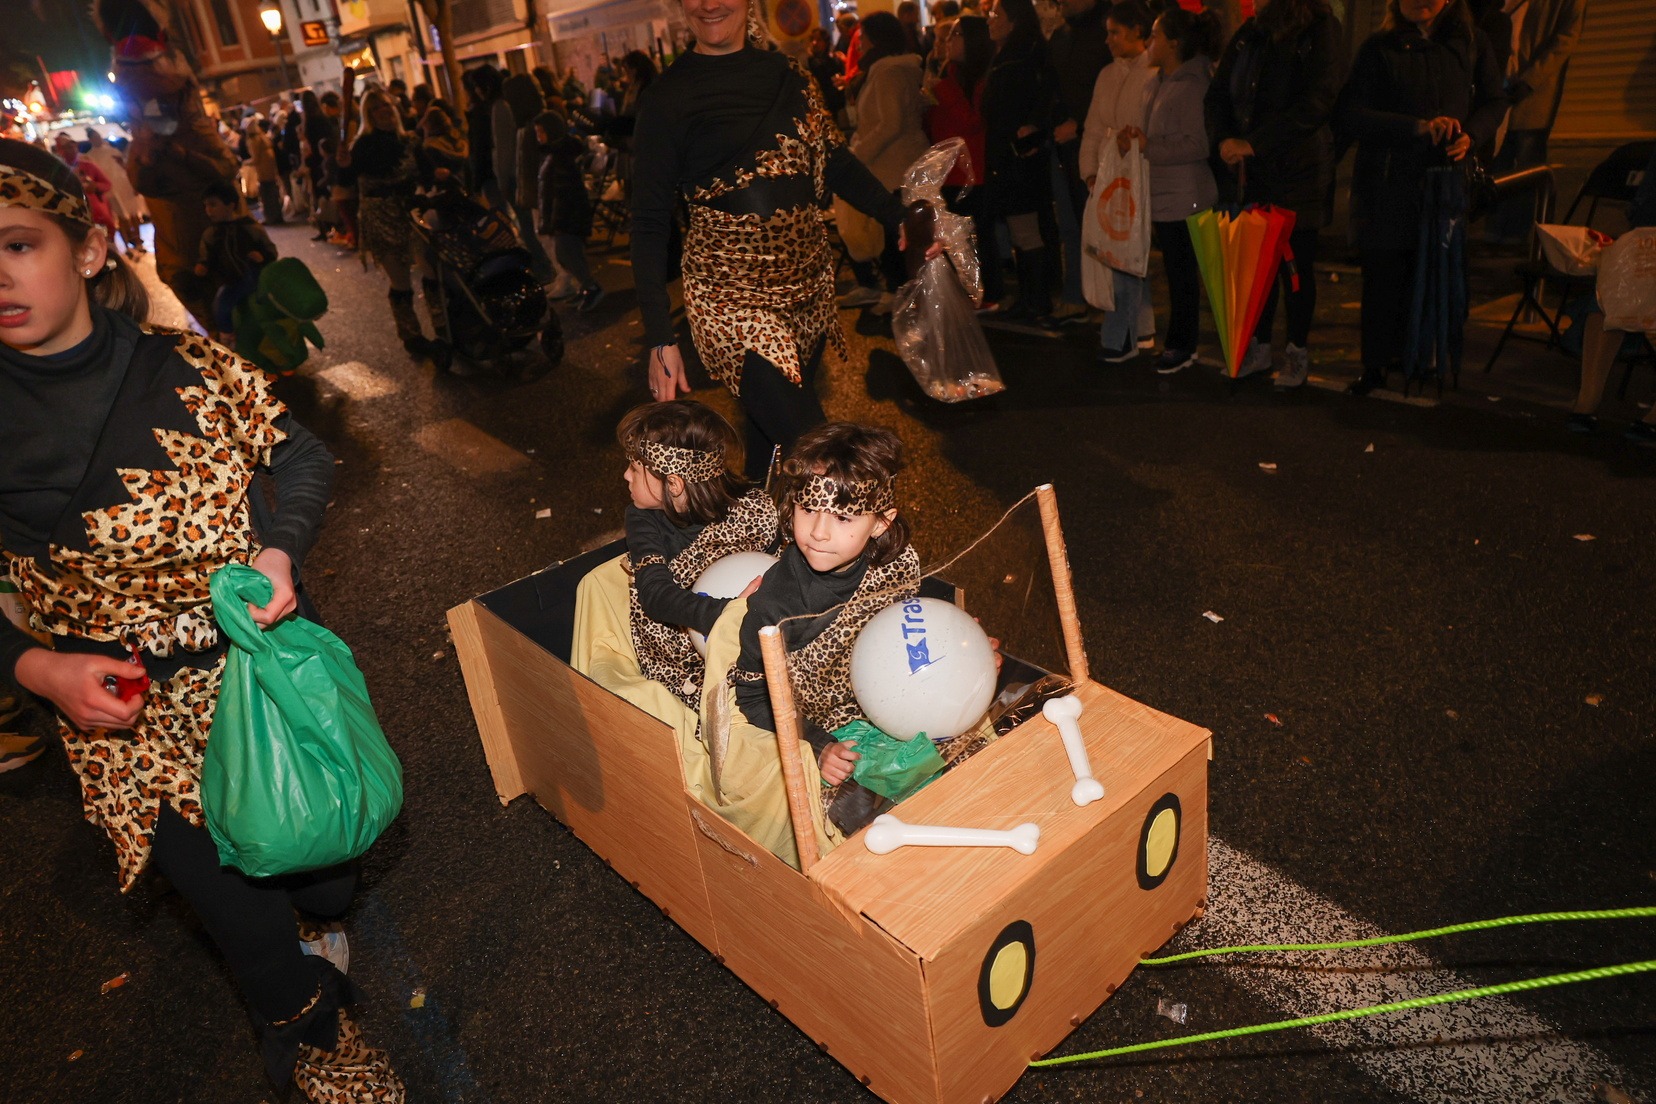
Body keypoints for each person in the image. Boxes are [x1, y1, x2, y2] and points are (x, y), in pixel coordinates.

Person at [0, 137, 404, 1104]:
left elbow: (300, 456)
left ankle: (311, 912)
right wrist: (38, 670)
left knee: (325, 876)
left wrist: (279, 550)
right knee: (245, 924)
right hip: (126, 714)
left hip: (255, 672)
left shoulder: (184, 364)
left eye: (17, 245)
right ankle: (308, 1027)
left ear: (87, 249)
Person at [630, 0, 915, 481]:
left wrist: (898, 217)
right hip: (729, 297)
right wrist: (660, 337)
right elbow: (648, 223)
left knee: (770, 453)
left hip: (807, 289)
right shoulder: (666, 97)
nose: (709, 4)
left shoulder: (791, 77)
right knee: (822, 456)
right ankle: (873, 529)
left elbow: (835, 161)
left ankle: (757, 525)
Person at [732, 422, 920, 839]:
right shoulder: (775, 606)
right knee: (871, 826)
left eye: (843, 516)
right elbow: (753, 697)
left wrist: (949, 651)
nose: (818, 532)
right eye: (807, 509)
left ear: (881, 522)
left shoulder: (895, 565)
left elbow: (904, 628)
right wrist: (818, 746)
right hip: (813, 722)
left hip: (881, 702)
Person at [1339, 0, 1506, 395]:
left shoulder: (1471, 42)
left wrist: (1472, 135)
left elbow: (1494, 99)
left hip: (1445, 179)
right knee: (1383, 272)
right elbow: (1351, 113)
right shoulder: (1379, 47)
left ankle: (1423, 359)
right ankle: (1376, 364)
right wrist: (1415, 127)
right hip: (1388, 177)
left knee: (1433, 271)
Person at [1206, 0, 1346, 387]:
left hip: (1299, 172)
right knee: (1256, 264)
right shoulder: (1251, 32)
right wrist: (1223, 139)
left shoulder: (1319, 28)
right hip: (1254, 172)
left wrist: (1255, 142)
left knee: (1294, 266)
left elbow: (1318, 101)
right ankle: (1259, 346)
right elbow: (1218, 93)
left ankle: (1297, 351)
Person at [615, 401, 780, 707]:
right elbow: (655, 594)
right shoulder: (641, 518)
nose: (626, 476)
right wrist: (732, 614)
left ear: (674, 484)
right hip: (682, 659)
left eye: (635, 469)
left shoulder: (752, 511)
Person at [1122, 5, 1220, 374]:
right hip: (1162, 192)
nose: (1149, 42)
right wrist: (1135, 141)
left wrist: (1149, 146)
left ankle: (1182, 345)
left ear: (1174, 43)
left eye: (1155, 36)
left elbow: (1198, 144)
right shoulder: (1157, 82)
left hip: (1185, 194)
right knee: (1175, 271)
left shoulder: (1193, 85)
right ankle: (1179, 342)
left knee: (1183, 274)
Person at [1081, 0, 1157, 360]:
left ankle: (1121, 336)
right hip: (1108, 176)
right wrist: (1090, 172)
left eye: (1115, 32)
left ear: (1137, 31)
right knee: (1120, 252)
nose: (1108, 40)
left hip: (1138, 173)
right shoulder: (1106, 75)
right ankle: (1140, 328)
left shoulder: (1153, 74)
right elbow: (1094, 127)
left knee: (1127, 254)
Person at [982, 0, 1062, 324]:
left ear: (1013, 20)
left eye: (996, 14)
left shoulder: (1021, 56)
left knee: (1026, 229)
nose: (990, 20)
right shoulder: (1015, 53)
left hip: (1019, 155)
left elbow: (1027, 102)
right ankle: (1031, 297)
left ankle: (1037, 299)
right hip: (1012, 154)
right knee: (1022, 229)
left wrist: (1029, 130)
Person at [339, 88, 435, 356]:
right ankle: (412, 336)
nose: (384, 110)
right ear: (368, 115)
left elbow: (427, 173)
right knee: (400, 277)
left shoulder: (409, 140)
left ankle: (444, 326)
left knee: (431, 269)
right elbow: (346, 181)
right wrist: (343, 165)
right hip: (380, 214)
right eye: (376, 108)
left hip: (411, 212)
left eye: (386, 105)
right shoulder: (362, 145)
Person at [845, 11, 931, 310]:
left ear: (876, 38)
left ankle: (899, 294)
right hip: (893, 163)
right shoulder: (887, 69)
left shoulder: (888, 72)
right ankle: (898, 292)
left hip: (895, 165)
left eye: (864, 37)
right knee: (894, 233)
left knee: (896, 234)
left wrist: (859, 153)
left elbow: (891, 124)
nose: (860, 43)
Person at [1488, 0, 1585, 242]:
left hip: (1532, 92)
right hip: (1498, 87)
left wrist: (1530, 80)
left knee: (1527, 164)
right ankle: (1495, 229)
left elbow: (1565, 39)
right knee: (1497, 162)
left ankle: (1517, 234)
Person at [1047, 0, 1115, 316]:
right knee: (1071, 224)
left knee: (1103, 224)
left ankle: (1106, 300)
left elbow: (1113, 89)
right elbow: (1052, 87)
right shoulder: (1061, 35)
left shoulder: (1107, 30)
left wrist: (1080, 123)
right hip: (1063, 142)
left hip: (1100, 144)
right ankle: (1077, 293)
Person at [925, 15, 999, 302]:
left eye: (954, 35)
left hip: (971, 170)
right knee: (955, 238)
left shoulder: (979, 78)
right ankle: (967, 292)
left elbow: (972, 121)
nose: (947, 42)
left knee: (976, 237)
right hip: (948, 168)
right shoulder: (949, 73)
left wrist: (941, 91)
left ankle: (986, 293)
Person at [534, 110, 604, 312]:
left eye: (541, 132)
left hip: (567, 216)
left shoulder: (561, 155)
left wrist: (554, 220)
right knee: (565, 254)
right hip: (562, 216)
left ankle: (591, 287)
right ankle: (585, 286)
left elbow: (563, 192)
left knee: (569, 253)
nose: (539, 137)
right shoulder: (552, 153)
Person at [194, 179, 277, 343]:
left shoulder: (249, 227)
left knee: (232, 303)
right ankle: (228, 335)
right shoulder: (211, 234)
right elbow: (206, 256)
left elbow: (270, 250)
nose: (208, 210)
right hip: (229, 280)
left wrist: (263, 257)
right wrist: (203, 265)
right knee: (221, 305)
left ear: (230, 205)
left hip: (253, 278)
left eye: (213, 205)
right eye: (206, 206)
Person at [494, 73, 557, 285]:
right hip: (537, 189)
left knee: (549, 236)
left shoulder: (534, 127)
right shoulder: (528, 126)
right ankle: (562, 278)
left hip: (542, 190)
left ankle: (568, 279)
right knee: (543, 236)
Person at [81, 127, 146, 257]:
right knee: (120, 218)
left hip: (123, 185)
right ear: (91, 140)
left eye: (98, 136)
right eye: (94, 137)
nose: (97, 139)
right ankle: (127, 245)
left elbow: (125, 167)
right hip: (110, 191)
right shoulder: (90, 157)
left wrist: (133, 183)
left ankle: (138, 241)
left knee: (133, 214)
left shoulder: (112, 150)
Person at [244, 116, 284, 226]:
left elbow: (255, 158)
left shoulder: (254, 141)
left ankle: (270, 217)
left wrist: (245, 163)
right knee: (273, 194)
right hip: (270, 169)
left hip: (263, 171)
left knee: (266, 195)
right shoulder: (263, 138)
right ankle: (277, 216)